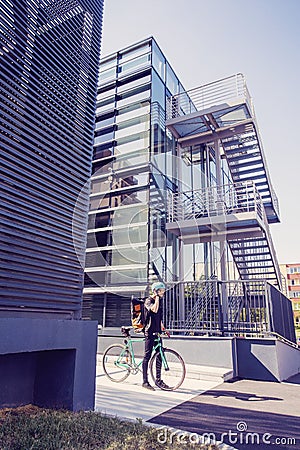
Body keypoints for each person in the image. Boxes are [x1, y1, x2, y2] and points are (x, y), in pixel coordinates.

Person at [142, 281, 169, 390]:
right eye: (161, 291)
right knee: (147, 357)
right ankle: (144, 381)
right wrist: (156, 298)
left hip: (157, 331)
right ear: (156, 291)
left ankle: (158, 380)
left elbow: (158, 316)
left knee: (159, 355)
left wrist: (163, 327)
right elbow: (154, 309)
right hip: (149, 332)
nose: (163, 293)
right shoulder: (148, 301)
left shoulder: (159, 300)